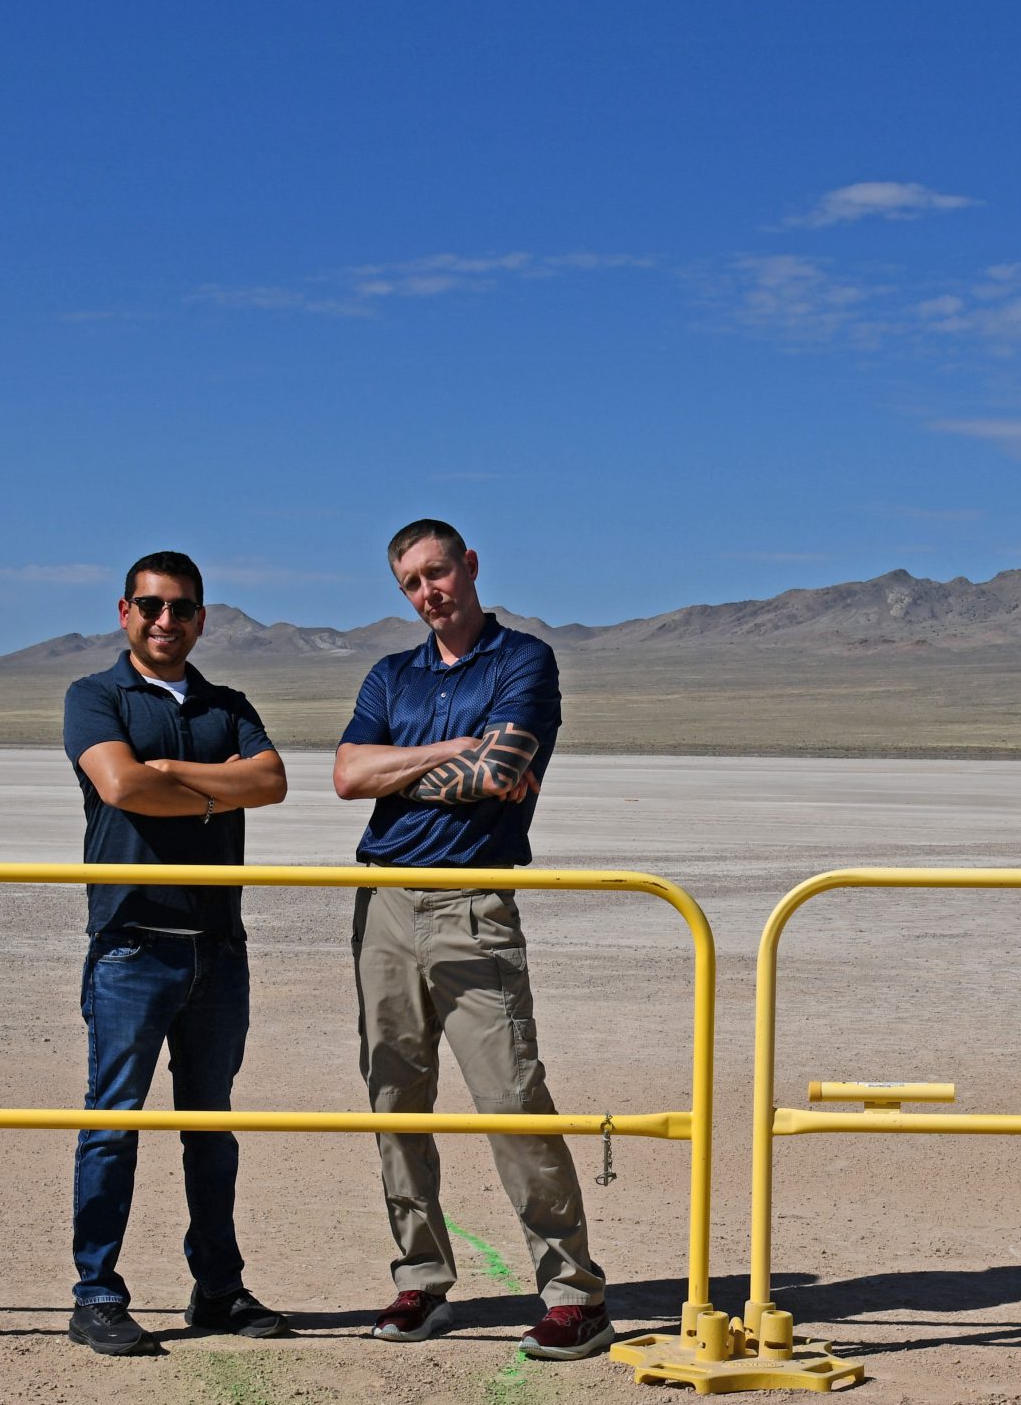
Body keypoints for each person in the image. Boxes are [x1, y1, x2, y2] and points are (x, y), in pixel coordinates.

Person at [333, 521, 613, 1361]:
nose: (430, 592)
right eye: (412, 583)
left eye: (439, 572)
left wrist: (401, 767)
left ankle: (573, 1292)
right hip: (383, 900)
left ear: (471, 566)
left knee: (511, 1095)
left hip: (471, 902)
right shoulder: (392, 674)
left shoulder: (523, 661)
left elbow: (499, 774)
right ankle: (420, 1278)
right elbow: (346, 775)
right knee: (394, 1095)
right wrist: (455, 748)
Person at [62, 552, 290, 1357]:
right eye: (153, 606)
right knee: (112, 1123)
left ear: (202, 618)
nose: (168, 621)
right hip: (133, 943)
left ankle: (218, 1289)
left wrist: (169, 772)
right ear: (125, 611)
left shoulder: (229, 705)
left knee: (211, 1126)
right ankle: (96, 1294)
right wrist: (214, 788)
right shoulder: (95, 696)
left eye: (183, 608)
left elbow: (270, 780)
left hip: (218, 948)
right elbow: (121, 786)